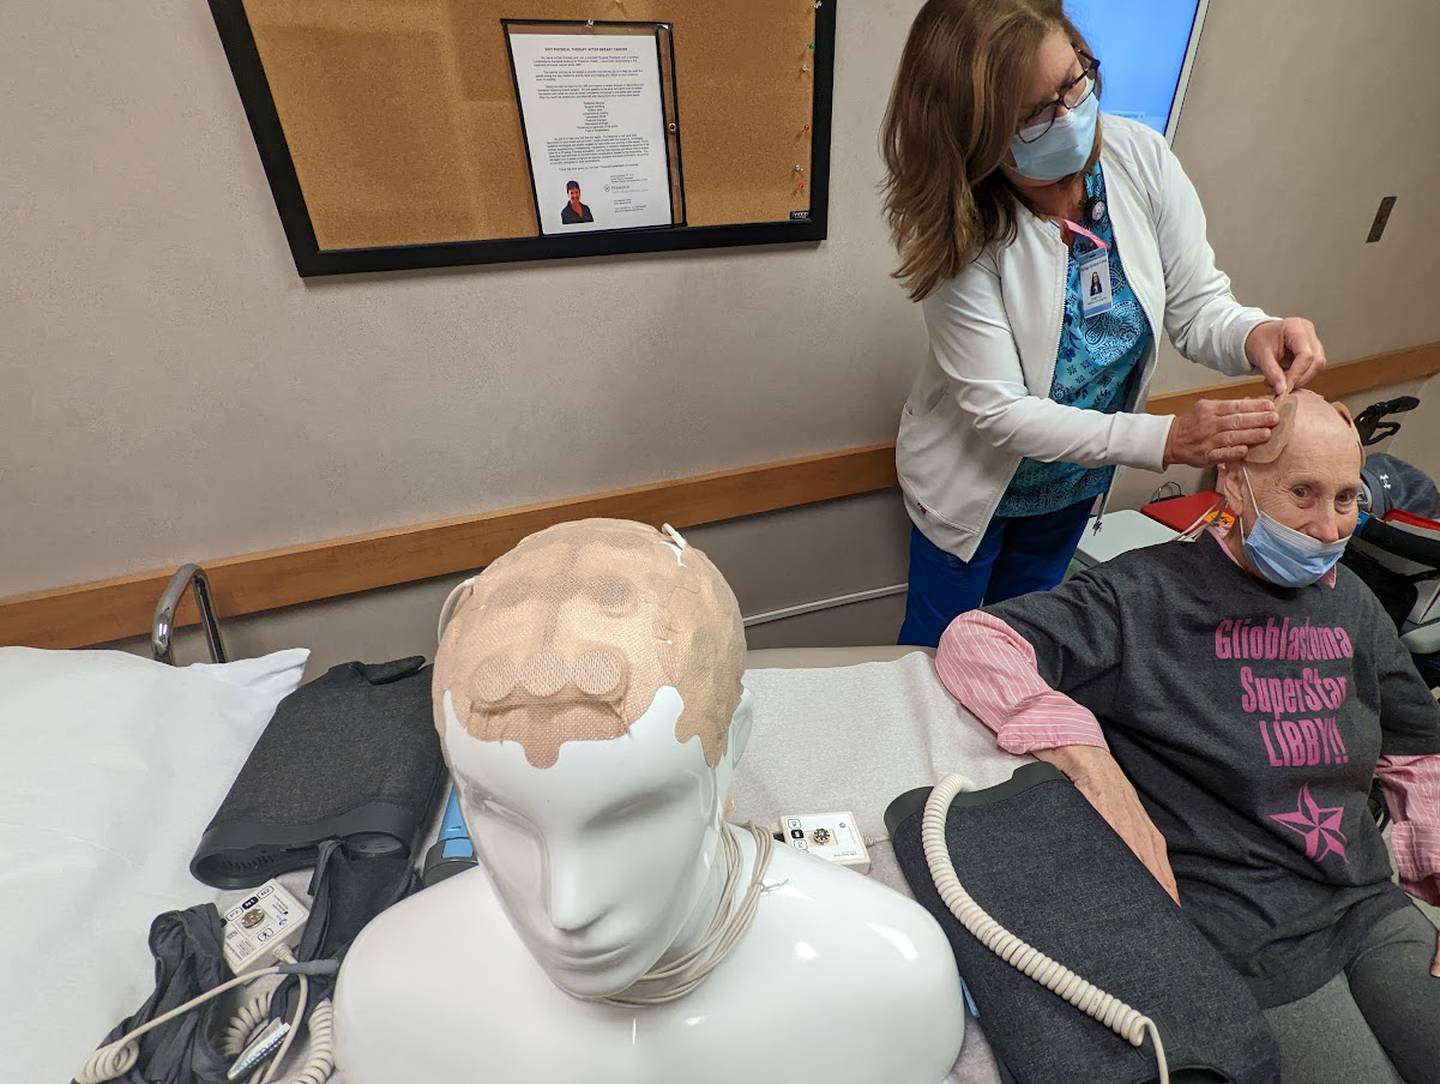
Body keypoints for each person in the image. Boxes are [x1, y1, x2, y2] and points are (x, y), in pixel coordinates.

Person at [333, 520, 966, 1084]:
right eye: (500, 814)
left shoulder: (891, 979)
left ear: (732, 746)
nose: (567, 908)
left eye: (634, 814)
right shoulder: (386, 993)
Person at [935, 391, 1440, 1083]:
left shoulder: (1348, 598)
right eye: (1302, 493)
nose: (1328, 527)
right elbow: (977, 639)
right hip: (1248, 933)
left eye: (1347, 498)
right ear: (1235, 481)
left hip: (1364, 901)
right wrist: (1090, 762)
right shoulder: (1143, 597)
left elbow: (1420, 749)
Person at [882, 0, 1329, 647]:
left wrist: (1254, 332)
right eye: (1036, 112)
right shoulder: (959, 228)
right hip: (970, 494)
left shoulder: (1139, 160)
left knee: (1024, 650)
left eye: (1075, 81)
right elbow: (1002, 412)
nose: (1070, 115)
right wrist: (1166, 439)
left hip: (1068, 489)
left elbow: (1198, 303)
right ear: (974, 131)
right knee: (934, 659)